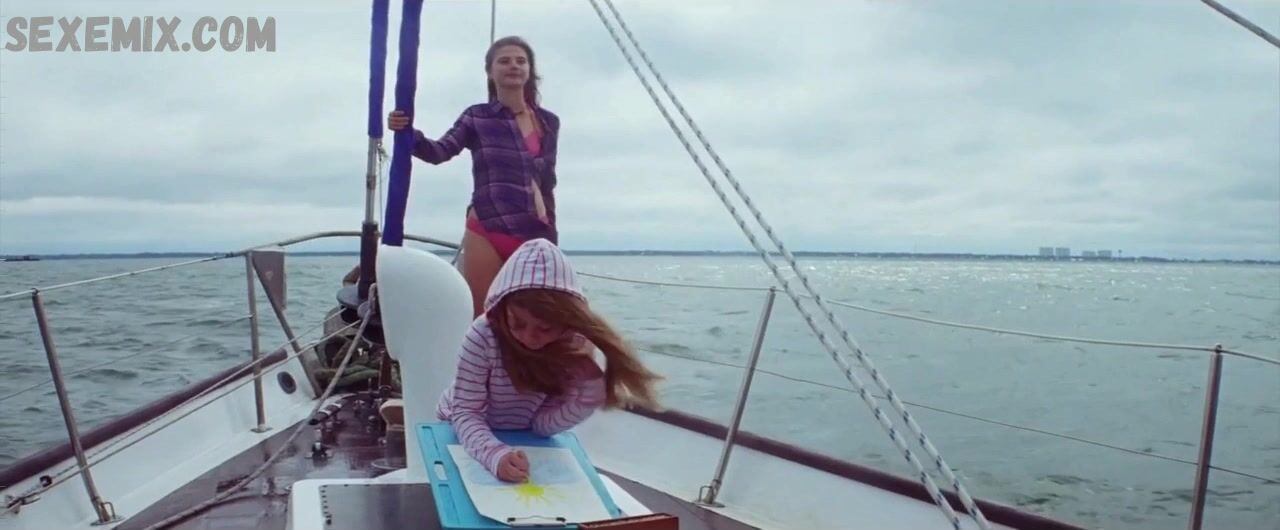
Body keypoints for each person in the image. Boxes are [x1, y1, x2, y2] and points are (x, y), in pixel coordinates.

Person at [435, 238, 661, 483]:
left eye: (545, 328)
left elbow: (542, 425)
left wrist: (591, 389)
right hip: (459, 425)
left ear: (566, 323)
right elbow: (466, 411)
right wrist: (493, 454)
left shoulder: (571, 347)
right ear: (503, 310)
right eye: (518, 323)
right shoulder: (482, 335)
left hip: (521, 435)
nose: (530, 338)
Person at [388, 35, 560, 318]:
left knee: (539, 318)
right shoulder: (477, 116)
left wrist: (551, 232)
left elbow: (547, 182)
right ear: (490, 71)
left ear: (530, 70)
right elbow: (439, 151)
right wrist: (407, 133)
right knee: (483, 317)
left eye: (521, 61)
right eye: (504, 61)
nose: (513, 66)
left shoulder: (549, 122)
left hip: (534, 230)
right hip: (487, 227)